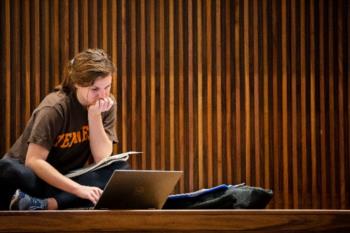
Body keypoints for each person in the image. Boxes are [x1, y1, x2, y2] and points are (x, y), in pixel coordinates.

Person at [0, 48, 128, 210]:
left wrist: (94, 116)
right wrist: (77, 189)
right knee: (7, 170)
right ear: (77, 84)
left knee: (118, 169)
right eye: (95, 89)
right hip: (34, 177)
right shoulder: (54, 107)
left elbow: (101, 157)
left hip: (66, 177)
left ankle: (46, 204)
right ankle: (61, 200)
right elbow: (33, 161)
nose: (103, 96)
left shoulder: (107, 105)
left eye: (107, 87)